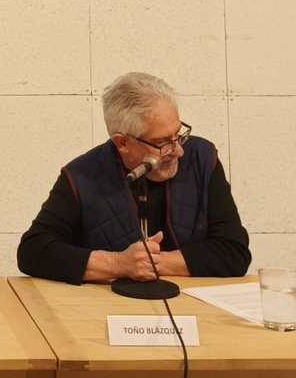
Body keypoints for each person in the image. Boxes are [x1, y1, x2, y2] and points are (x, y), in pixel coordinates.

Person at [17, 71, 250, 284]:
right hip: (107, 311)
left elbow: (234, 252)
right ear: (122, 143)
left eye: (178, 134)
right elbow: (33, 251)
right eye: (161, 142)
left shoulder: (202, 158)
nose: (178, 150)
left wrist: (153, 263)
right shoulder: (82, 176)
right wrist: (118, 264)